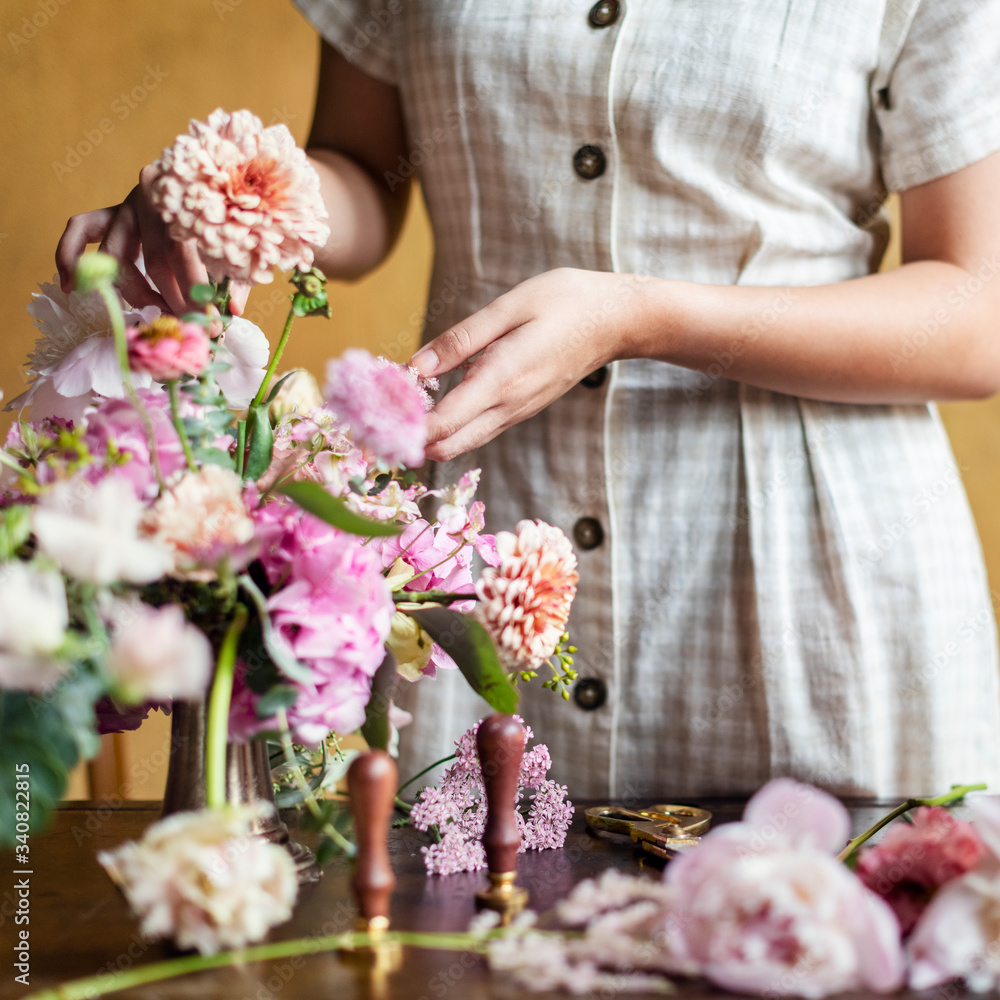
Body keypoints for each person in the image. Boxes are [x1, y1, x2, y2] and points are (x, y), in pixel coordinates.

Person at [57, 1, 1000, 800]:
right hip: (478, 543)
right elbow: (360, 172)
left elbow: (976, 308)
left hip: (806, 568)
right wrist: (229, 196)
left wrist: (641, 314)